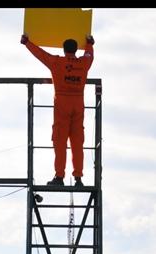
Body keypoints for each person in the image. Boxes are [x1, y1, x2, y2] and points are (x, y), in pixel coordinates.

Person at [22, 33, 95, 187]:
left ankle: (59, 177)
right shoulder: (83, 63)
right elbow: (89, 55)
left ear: (64, 50)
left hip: (62, 103)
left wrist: (27, 42)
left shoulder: (56, 62)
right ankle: (78, 179)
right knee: (77, 143)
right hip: (78, 103)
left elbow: (40, 54)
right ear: (76, 50)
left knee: (60, 141)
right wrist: (89, 44)